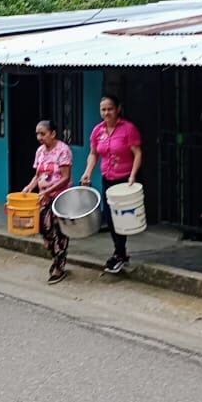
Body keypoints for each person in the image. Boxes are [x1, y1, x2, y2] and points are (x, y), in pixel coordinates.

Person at [79, 95, 142, 274]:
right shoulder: (97, 131)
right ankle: (120, 252)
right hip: (108, 178)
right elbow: (93, 154)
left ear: (117, 109)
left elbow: (137, 153)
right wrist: (87, 173)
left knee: (122, 218)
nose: (106, 113)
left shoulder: (128, 129)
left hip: (125, 181)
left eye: (110, 109)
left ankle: (119, 253)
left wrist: (133, 175)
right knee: (109, 215)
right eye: (103, 110)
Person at [22, 120, 72, 284]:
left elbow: (65, 178)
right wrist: (29, 187)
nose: (39, 137)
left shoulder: (63, 150)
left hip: (60, 198)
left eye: (42, 134)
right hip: (43, 197)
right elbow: (38, 175)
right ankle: (56, 258)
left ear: (53, 133)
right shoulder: (40, 151)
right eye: (37, 134)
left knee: (59, 232)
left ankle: (59, 267)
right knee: (44, 229)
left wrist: (48, 191)